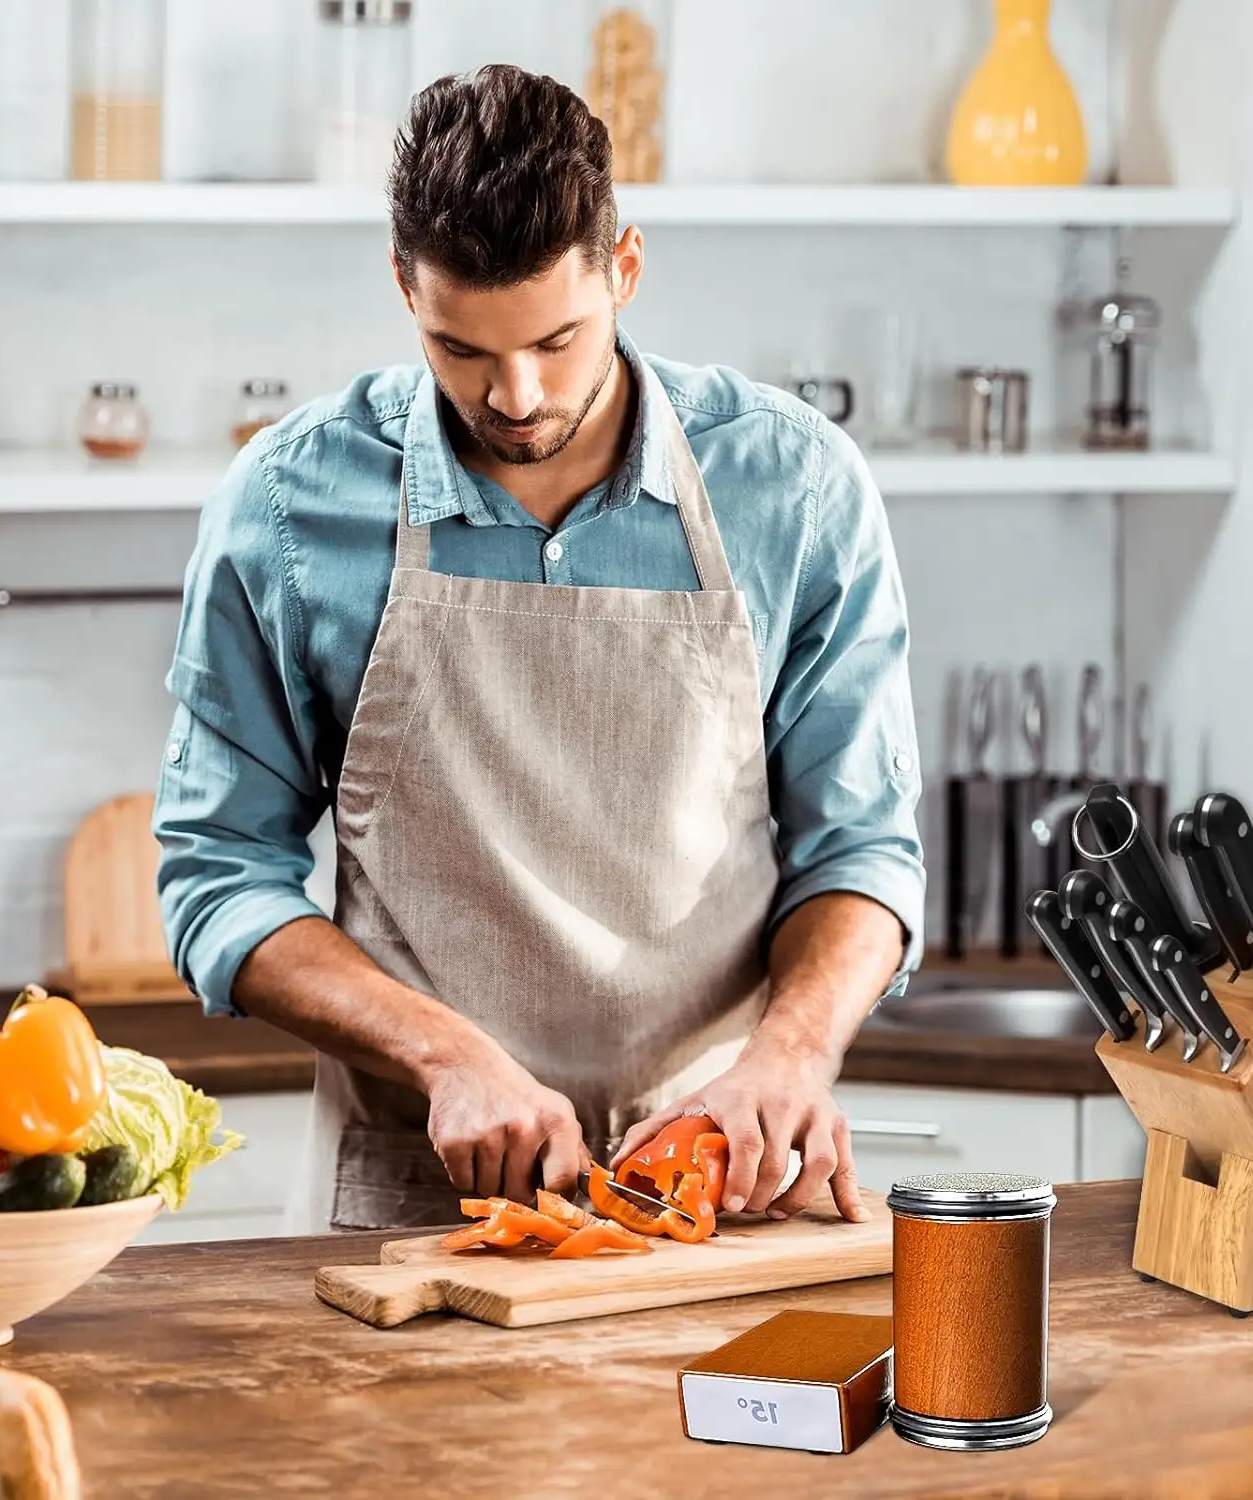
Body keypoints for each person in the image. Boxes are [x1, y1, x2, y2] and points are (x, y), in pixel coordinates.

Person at [153, 63, 925, 1233]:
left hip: (729, 1177)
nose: (514, 395)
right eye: (460, 350)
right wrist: (442, 1052)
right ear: (404, 287)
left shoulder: (796, 489)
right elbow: (218, 872)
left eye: (558, 341)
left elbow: (862, 848)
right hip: (424, 1201)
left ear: (624, 270)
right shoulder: (285, 507)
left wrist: (792, 1056)